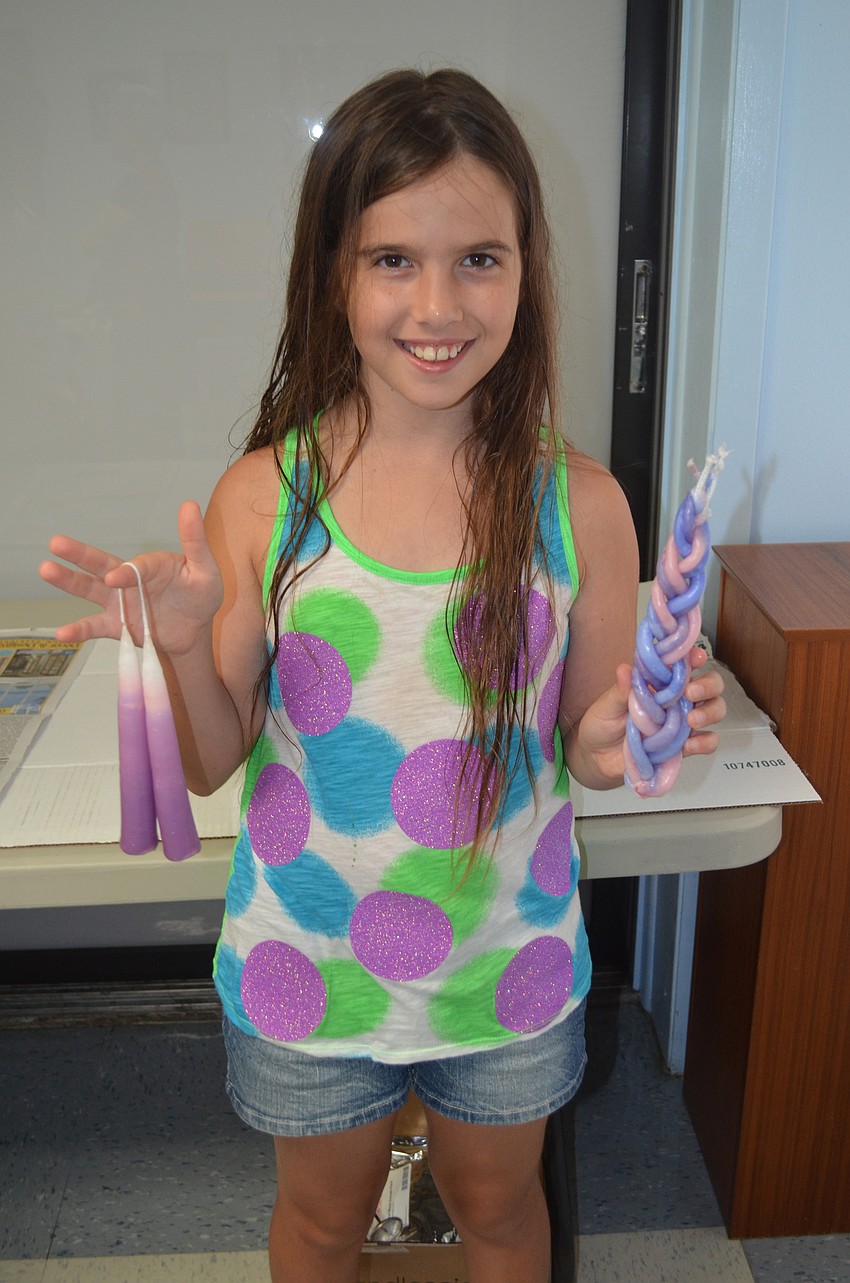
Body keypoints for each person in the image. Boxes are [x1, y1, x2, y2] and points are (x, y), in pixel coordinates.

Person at [40, 68, 726, 1283]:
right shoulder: (265, 494)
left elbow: (588, 741)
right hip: (308, 966)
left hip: (505, 961)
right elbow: (209, 759)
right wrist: (186, 643)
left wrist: (625, 728)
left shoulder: (579, 503)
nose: (438, 303)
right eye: (393, 259)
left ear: (527, 270)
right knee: (320, 1222)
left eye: (480, 259)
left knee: (500, 1211)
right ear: (333, 275)